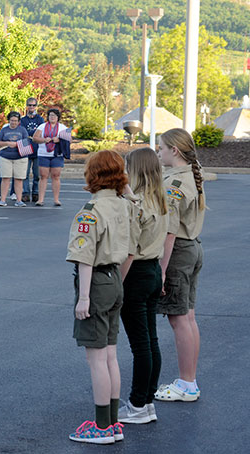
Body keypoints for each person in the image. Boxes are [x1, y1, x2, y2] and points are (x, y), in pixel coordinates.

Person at [66, 150, 130, 444]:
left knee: (96, 360)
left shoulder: (90, 211)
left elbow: (85, 257)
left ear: (92, 175)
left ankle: (101, 426)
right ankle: (113, 422)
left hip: (97, 283)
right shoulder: (123, 205)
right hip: (116, 278)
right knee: (111, 356)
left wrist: (83, 298)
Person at [117, 148, 169, 424]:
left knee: (140, 345)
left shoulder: (135, 205)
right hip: (153, 270)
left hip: (136, 273)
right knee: (151, 341)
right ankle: (147, 401)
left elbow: (129, 251)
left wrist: (117, 284)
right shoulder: (160, 200)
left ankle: (137, 405)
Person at [154, 128, 205, 402]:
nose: (158, 151)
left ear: (174, 150)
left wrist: (161, 270)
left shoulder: (175, 183)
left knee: (178, 319)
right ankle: (189, 380)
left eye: (161, 147)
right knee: (188, 317)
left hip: (179, 252)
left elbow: (169, 231)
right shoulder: (188, 174)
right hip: (193, 246)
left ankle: (187, 383)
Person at [33, 108, 69, 206]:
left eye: (54, 115)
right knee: (43, 176)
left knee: (56, 176)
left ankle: (56, 199)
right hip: (43, 154)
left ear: (58, 117)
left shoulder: (62, 127)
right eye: (50, 115)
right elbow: (35, 138)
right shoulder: (42, 126)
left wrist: (59, 139)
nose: (52, 117)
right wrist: (44, 140)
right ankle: (40, 200)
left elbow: (70, 138)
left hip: (57, 154)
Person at [0, 111, 30, 207]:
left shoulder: (22, 130)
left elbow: (27, 142)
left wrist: (17, 144)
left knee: (19, 179)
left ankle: (19, 200)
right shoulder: (4, 130)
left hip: (20, 158)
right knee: (5, 178)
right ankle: (2, 200)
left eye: (15, 121)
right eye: (12, 120)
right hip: (6, 157)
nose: (13, 122)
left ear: (19, 121)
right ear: (9, 120)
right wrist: (7, 143)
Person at [20, 98, 44, 203]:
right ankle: (25, 193)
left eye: (33, 105)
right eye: (29, 105)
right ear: (27, 106)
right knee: (24, 174)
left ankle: (36, 193)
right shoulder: (23, 120)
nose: (31, 107)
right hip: (26, 147)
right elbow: (22, 134)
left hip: (38, 149)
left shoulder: (40, 119)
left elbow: (41, 133)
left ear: (36, 106)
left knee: (37, 174)